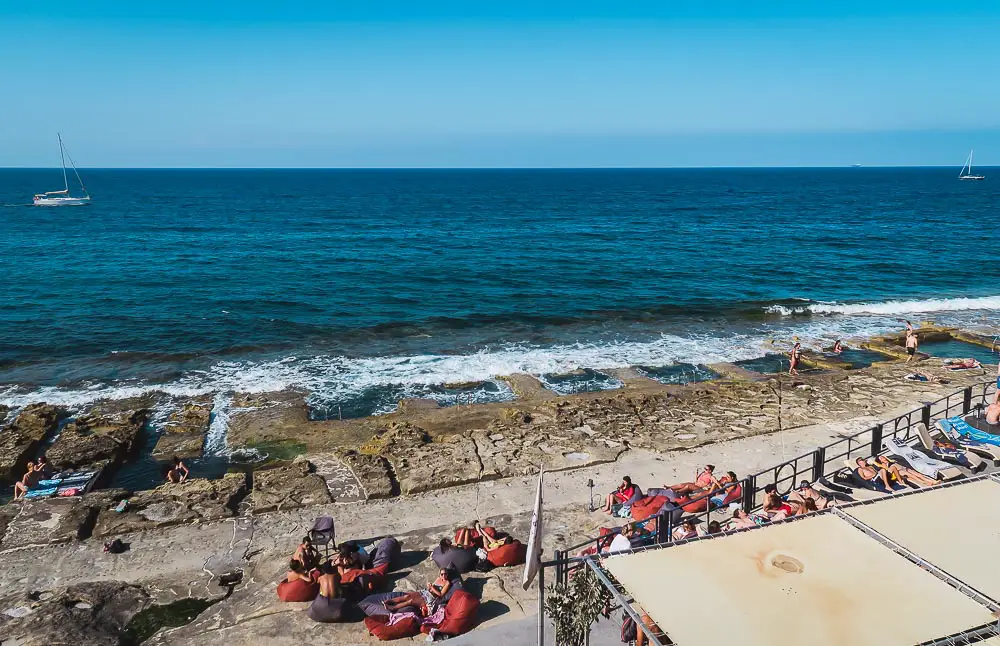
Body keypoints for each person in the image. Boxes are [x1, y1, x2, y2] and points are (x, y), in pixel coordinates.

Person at [382, 568, 461, 614]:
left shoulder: (447, 583)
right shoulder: (438, 579)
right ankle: (388, 601)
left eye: (445, 574)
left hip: (430, 598)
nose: (443, 576)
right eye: (442, 574)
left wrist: (432, 588)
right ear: (439, 574)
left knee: (410, 601)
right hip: (425, 592)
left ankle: (392, 608)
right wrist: (429, 586)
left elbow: (440, 594)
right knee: (407, 596)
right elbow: (431, 588)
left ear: (447, 574)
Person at [872, 455, 939, 488]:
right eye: (881, 458)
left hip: (904, 468)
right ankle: (925, 482)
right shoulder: (884, 465)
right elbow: (889, 470)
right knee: (913, 476)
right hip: (899, 471)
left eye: (882, 456)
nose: (883, 457)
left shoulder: (890, 460)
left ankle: (932, 481)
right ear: (880, 461)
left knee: (918, 474)